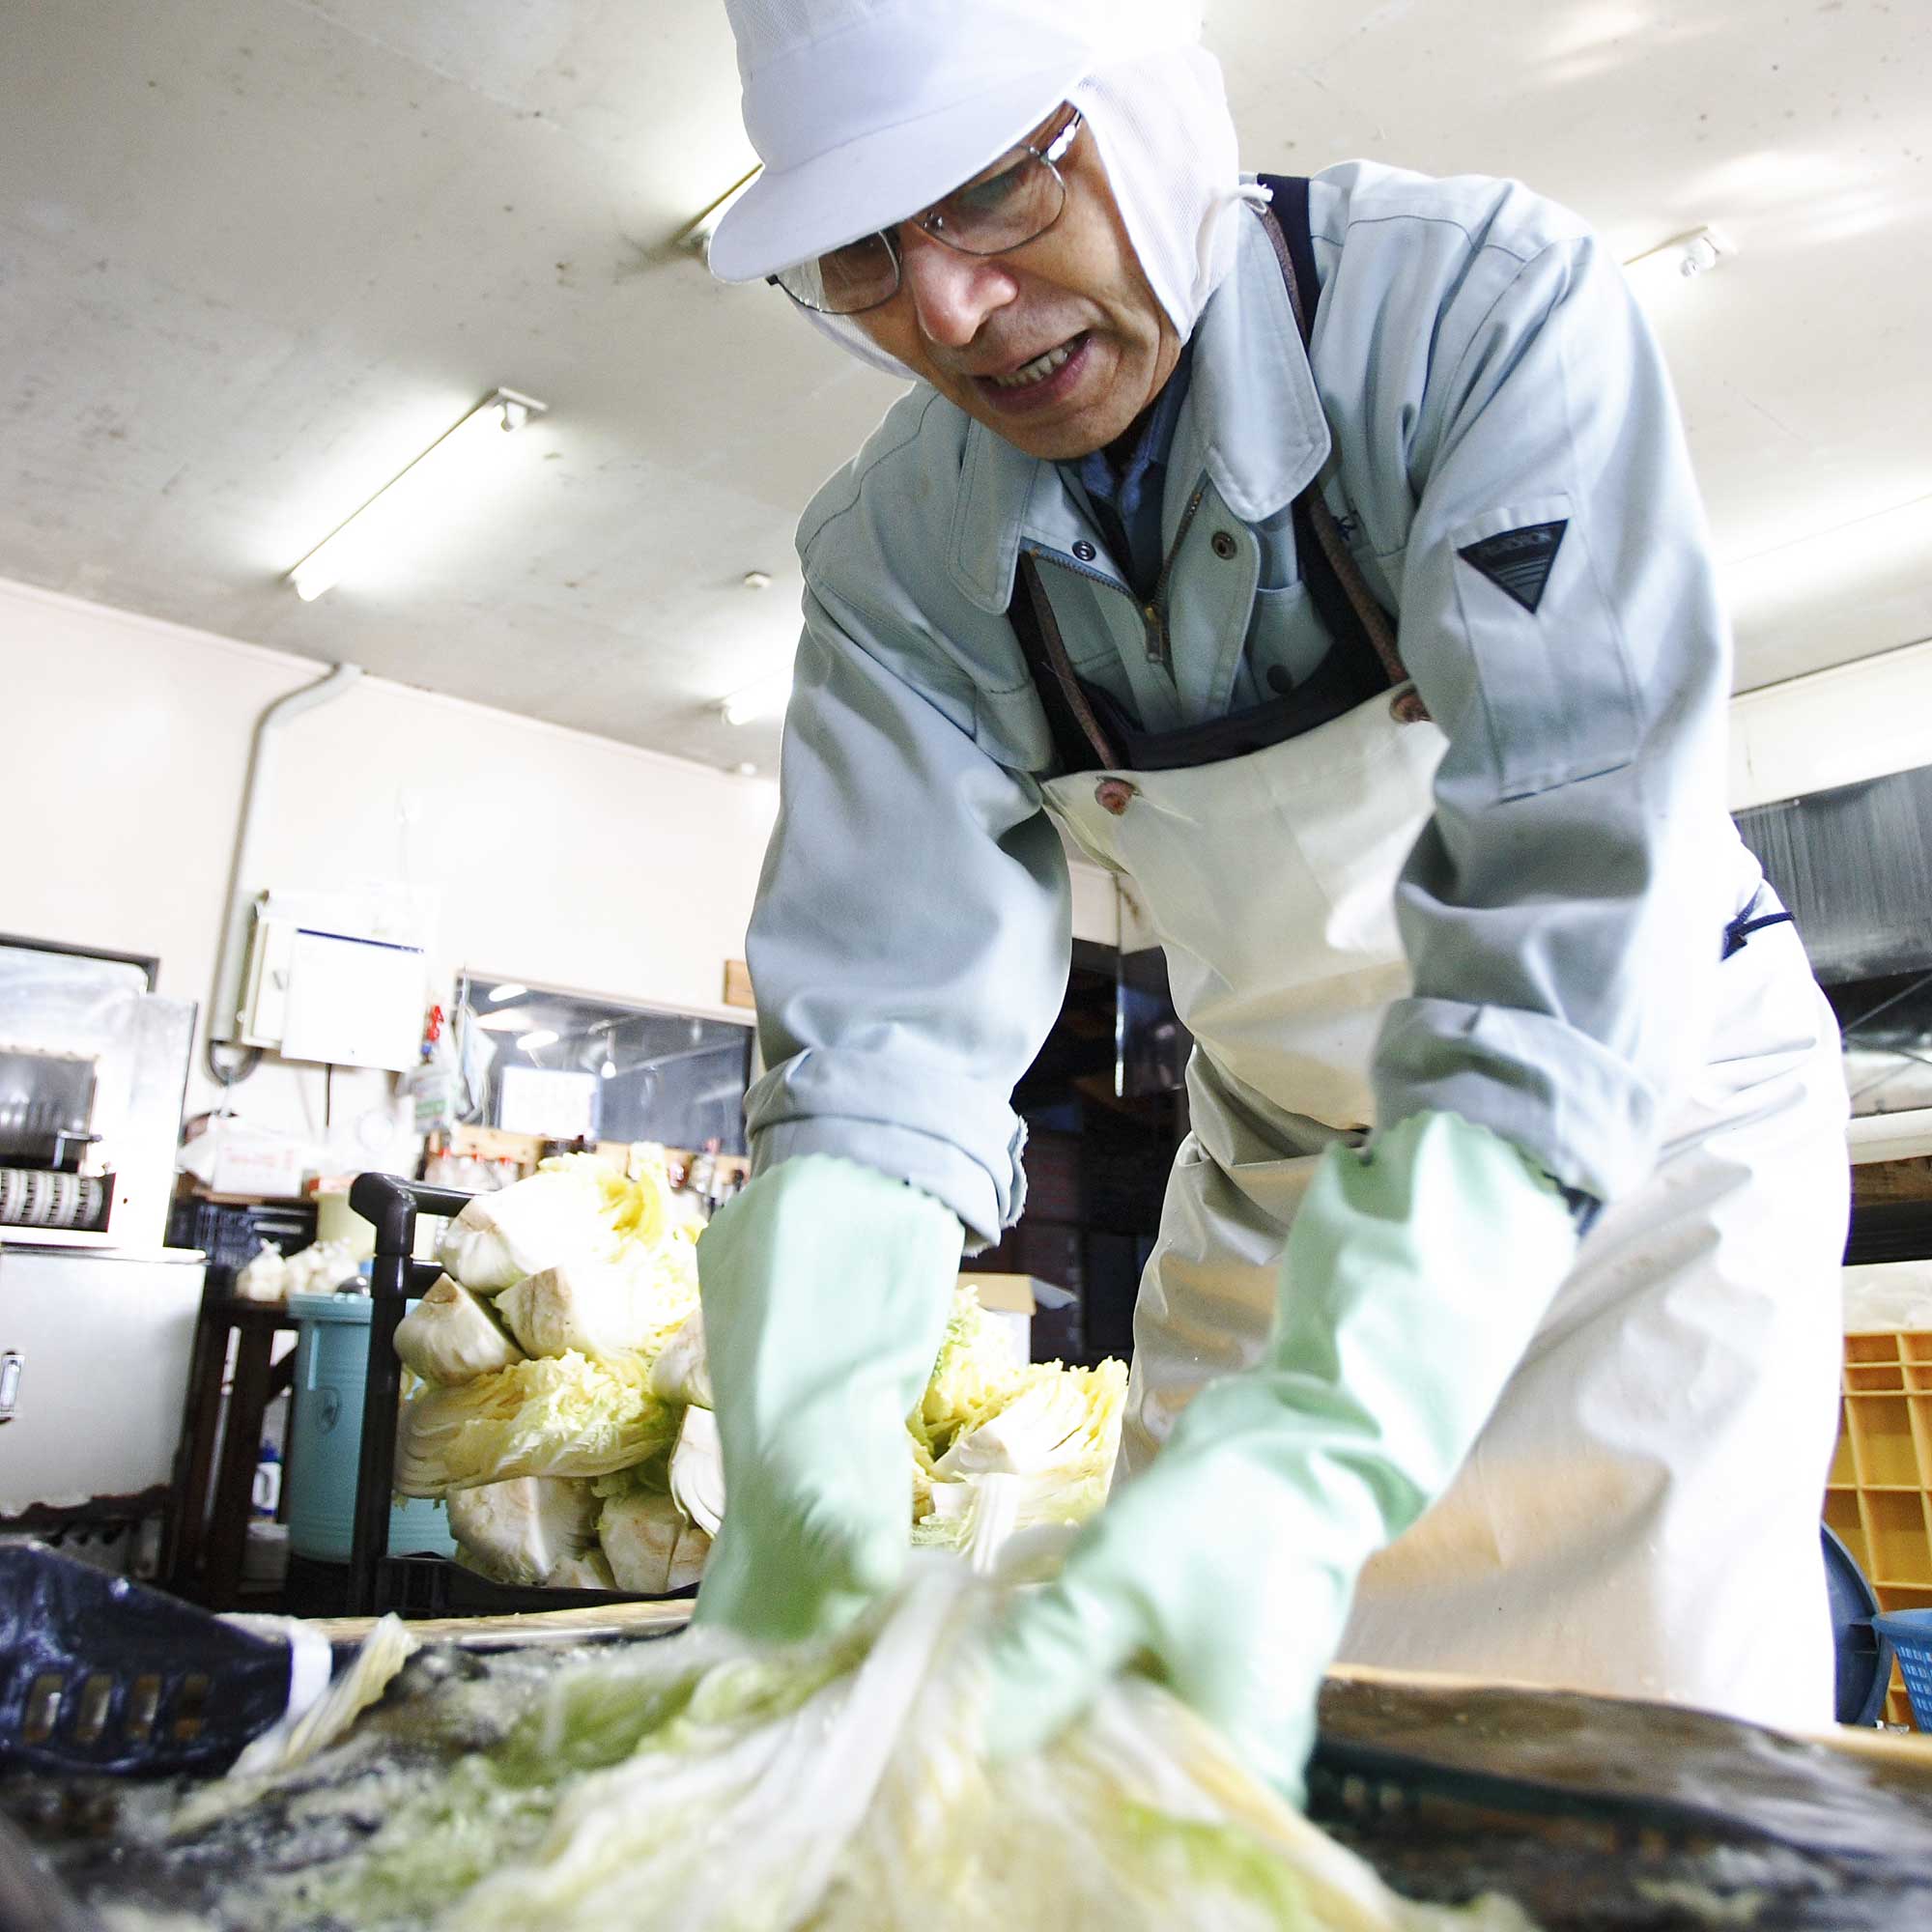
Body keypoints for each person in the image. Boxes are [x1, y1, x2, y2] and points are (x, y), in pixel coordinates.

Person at [690, 0, 1851, 1795]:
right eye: (862, 251)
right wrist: (807, 1445)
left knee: (1627, 1768)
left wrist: (1328, 1436)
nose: (943, 309)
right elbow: (880, 1023)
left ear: (1158, 118)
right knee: (1166, 1782)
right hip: (1282, 1182)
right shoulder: (894, 557)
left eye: (995, 191)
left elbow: (1571, 861)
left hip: (1650, 1161)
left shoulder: (1470, 314)